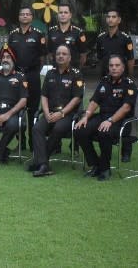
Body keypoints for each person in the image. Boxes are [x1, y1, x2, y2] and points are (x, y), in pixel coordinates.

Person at [74, 55, 138, 181]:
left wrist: (110, 121)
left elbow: (126, 108)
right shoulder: (104, 81)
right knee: (80, 129)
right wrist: (86, 116)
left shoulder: (129, 84)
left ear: (123, 67)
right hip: (103, 117)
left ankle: (105, 169)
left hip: (121, 121)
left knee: (104, 131)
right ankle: (95, 164)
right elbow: (94, 102)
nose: (113, 68)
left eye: (117, 65)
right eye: (111, 65)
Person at [29, 45, 84, 177]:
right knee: (36, 128)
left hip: (67, 114)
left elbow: (77, 98)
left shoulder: (76, 74)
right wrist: (47, 112)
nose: (60, 56)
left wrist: (62, 113)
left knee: (58, 128)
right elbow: (44, 95)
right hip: (50, 113)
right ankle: (44, 164)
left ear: (69, 57)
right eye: (58, 53)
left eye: (64, 54)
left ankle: (40, 162)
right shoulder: (50, 73)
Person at [95, 7, 136, 161]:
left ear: (119, 20)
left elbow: (131, 59)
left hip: (123, 81)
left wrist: (129, 77)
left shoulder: (125, 38)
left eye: (114, 17)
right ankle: (105, 149)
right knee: (105, 110)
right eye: (108, 17)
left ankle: (126, 150)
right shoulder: (101, 38)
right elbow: (100, 58)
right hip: (106, 80)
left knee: (126, 112)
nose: (110, 19)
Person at [7, 5, 46, 150]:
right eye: (22, 14)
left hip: (32, 75)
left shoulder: (38, 34)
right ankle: (21, 141)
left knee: (33, 108)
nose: (24, 16)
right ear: (19, 17)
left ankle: (32, 141)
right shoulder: (13, 35)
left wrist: (33, 72)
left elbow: (42, 57)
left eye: (27, 14)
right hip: (17, 76)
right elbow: (9, 57)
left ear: (31, 17)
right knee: (18, 109)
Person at [47, 3, 87, 68]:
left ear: (70, 15)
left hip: (73, 70)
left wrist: (77, 68)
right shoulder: (51, 31)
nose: (63, 14)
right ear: (57, 15)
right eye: (60, 12)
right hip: (56, 70)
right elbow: (50, 54)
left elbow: (83, 55)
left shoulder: (78, 32)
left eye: (65, 12)